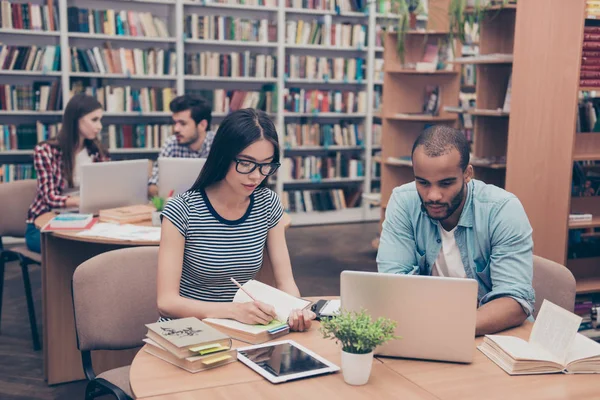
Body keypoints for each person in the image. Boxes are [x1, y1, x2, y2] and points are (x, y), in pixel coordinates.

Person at [157, 108, 315, 331]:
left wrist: (295, 309)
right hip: (188, 330)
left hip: (243, 330)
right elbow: (166, 303)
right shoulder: (182, 209)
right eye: (246, 163)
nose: (256, 176)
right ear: (223, 157)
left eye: (266, 165)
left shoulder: (268, 204)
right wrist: (233, 311)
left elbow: (286, 281)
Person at [377, 125, 535, 336]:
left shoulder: (502, 210)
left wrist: (446, 328)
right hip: (427, 327)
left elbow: (514, 302)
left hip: (493, 334)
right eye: (423, 182)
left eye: (446, 183)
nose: (433, 195)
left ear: (467, 173)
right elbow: (392, 284)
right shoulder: (404, 202)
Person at [25, 93, 109, 253]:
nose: (100, 126)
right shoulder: (45, 151)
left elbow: (104, 189)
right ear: (76, 119)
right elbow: (50, 198)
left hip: (87, 218)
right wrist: (86, 200)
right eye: (94, 120)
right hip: (44, 224)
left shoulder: (98, 152)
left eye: (100, 120)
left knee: (102, 248)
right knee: (76, 249)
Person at [148, 94, 216, 197]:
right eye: (175, 123)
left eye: (183, 124)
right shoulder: (171, 144)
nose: (176, 129)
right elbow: (153, 186)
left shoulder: (218, 144)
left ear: (202, 125)